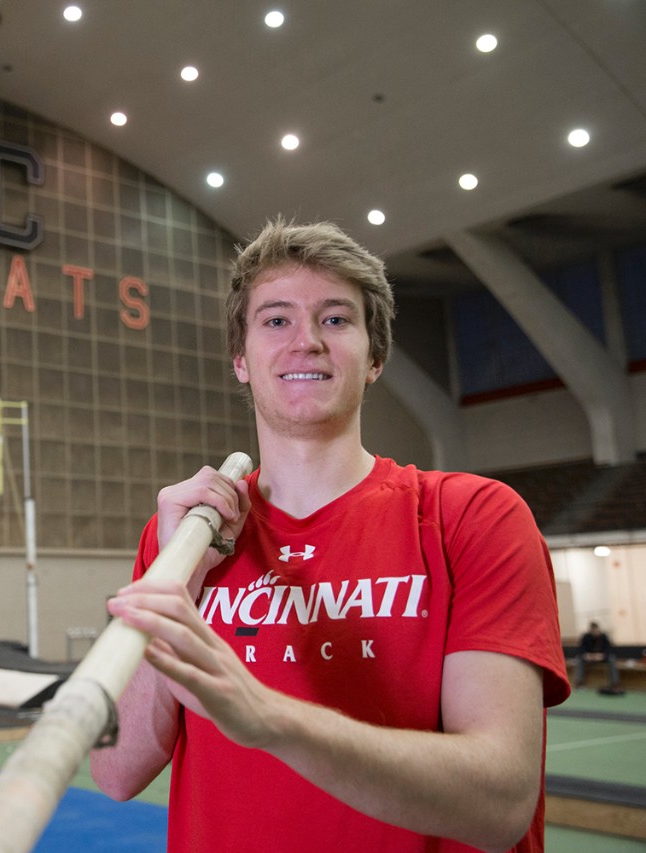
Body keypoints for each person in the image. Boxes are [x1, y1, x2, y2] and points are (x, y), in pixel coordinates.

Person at [91, 219, 570, 852]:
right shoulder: (185, 536)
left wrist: (267, 719)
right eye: (276, 320)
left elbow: (502, 801)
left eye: (336, 320)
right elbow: (115, 771)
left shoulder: (472, 516)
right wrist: (179, 577)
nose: (307, 341)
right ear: (241, 359)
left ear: (374, 358)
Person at [574, 621, 620, 690]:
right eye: (592, 630)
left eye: (595, 630)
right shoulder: (586, 637)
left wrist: (603, 655)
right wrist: (586, 655)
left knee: (612, 659)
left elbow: (609, 649)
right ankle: (578, 683)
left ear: (598, 629)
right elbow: (581, 649)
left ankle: (614, 683)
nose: (594, 632)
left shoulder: (604, 637)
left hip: (602, 658)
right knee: (579, 659)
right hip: (589, 658)